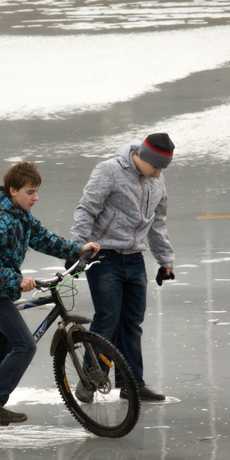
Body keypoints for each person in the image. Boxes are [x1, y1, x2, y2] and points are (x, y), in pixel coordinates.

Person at [0, 161, 99, 427]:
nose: (36, 197)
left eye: (37, 191)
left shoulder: (20, 215)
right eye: (30, 192)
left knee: (3, 346)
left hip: (0, 292)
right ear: (13, 190)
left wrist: (77, 250)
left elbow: (43, 238)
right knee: (25, 346)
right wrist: (17, 281)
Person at [71, 133, 176, 402]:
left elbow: (157, 222)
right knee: (108, 317)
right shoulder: (109, 171)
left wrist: (165, 261)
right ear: (143, 158)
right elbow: (86, 209)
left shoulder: (157, 180)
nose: (159, 172)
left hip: (134, 259)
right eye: (157, 166)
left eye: (164, 168)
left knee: (132, 322)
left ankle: (132, 384)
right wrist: (77, 248)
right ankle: (91, 378)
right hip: (102, 256)